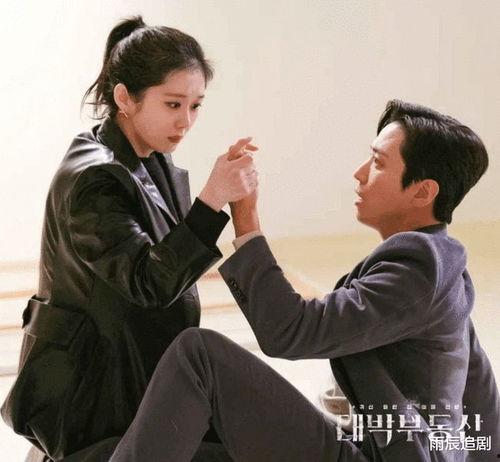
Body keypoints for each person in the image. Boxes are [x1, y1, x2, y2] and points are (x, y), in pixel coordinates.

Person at [108, 100, 499, 461]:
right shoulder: (446, 271)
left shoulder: (420, 267)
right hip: (370, 445)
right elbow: (481, 396)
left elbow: (290, 329)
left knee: (200, 356)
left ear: (423, 192)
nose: (360, 172)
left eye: (378, 163)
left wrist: (246, 217)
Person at [1, 15, 258, 462]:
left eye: (196, 106)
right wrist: (213, 199)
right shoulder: (95, 178)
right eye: (173, 104)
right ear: (124, 98)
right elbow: (148, 282)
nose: (186, 121)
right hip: (95, 392)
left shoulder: (149, 156)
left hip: (137, 365)